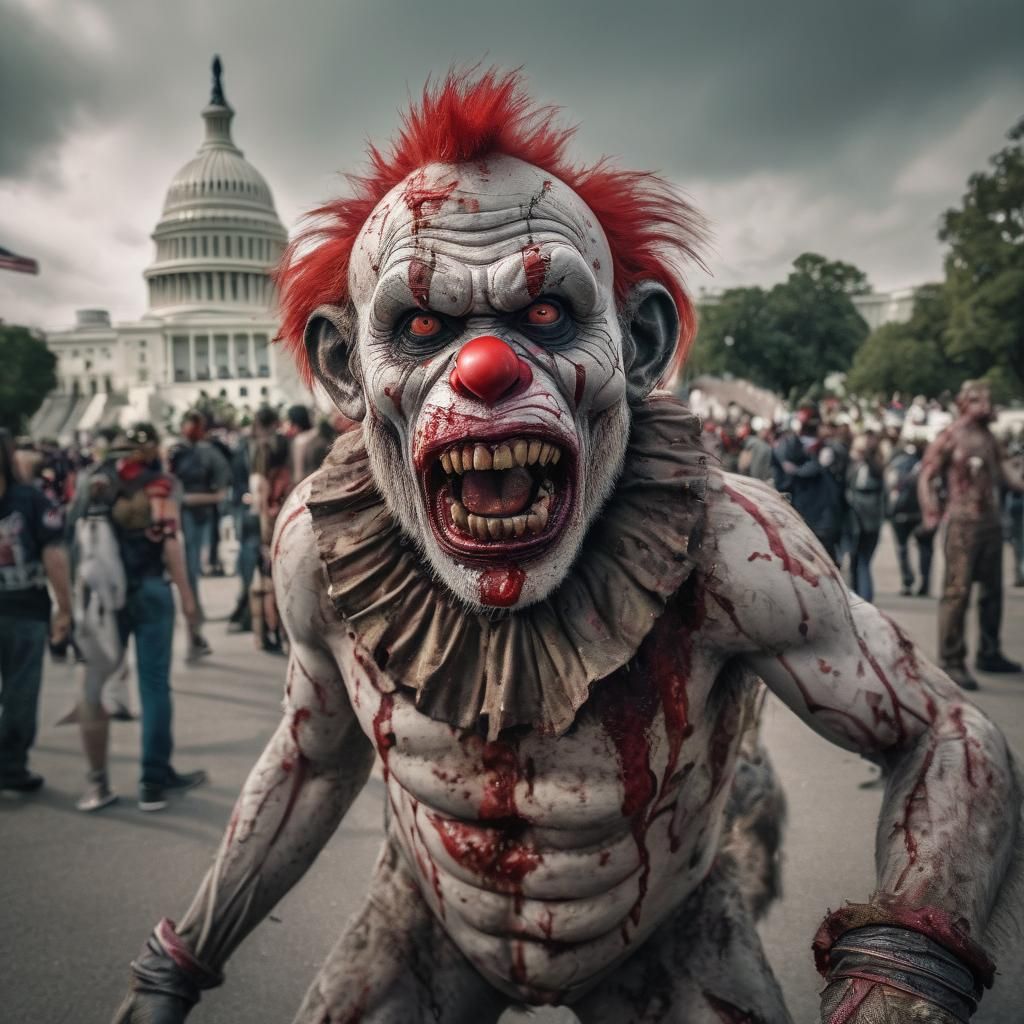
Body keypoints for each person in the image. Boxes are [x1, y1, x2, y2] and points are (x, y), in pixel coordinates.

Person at [113, 70, 1020, 1024]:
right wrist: (178, 962)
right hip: (427, 930)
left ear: (638, 342)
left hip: (663, 933)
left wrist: (905, 970)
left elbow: (948, 737)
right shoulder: (320, 552)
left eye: (545, 315)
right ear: (346, 366)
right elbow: (312, 760)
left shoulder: (727, 548)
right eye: (422, 324)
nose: (487, 369)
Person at [69, 424, 207, 812]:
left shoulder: (90, 483)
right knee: (153, 685)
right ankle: (153, 779)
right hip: (149, 589)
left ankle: (97, 782)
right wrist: (188, 600)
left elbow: (71, 540)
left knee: (95, 683)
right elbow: (168, 542)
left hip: (102, 595)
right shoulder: (159, 484)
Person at [919, 379, 1024, 690]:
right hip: (962, 524)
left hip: (990, 523)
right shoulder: (951, 436)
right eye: (979, 400)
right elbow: (927, 475)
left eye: (988, 399)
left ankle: (989, 652)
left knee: (993, 592)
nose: (987, 405)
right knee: (957, 592)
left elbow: (1010, 476)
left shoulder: (991, 438)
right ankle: (952, 658)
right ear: (964, 403)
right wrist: (931, 512)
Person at [0, 429, 72, 792]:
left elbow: (54, 555)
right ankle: (10, 765)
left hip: (24, 610)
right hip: (23, 610)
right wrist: (65, 608)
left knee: (18, 694)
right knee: (20, 693)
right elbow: (54, 555)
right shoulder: (29, 499)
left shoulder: (29, 499)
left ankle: (10, 763)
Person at [168, 410, 229, 661]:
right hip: (177, 519)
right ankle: (194, 630)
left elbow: (222, 487)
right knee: (188, 575)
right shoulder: (176, 453)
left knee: (190, 574)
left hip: (196, 516)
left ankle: (194, 631)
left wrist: (202, 498)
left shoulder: (208, 453)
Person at [885, 438, 933, 596]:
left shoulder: (896, 463)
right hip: (921, 512)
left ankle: (907, 582)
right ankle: (925, 583)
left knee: (902, 548)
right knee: (925, 548)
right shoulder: (928, 464)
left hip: (899, 511)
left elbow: (890, 484)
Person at [845, 431, 885, 602]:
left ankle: (863, 598)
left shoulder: (866, 468)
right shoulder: (875, 466)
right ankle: (861, 596)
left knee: (861, 561)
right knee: (860, 561)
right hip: (870, 522)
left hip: (862, 522)